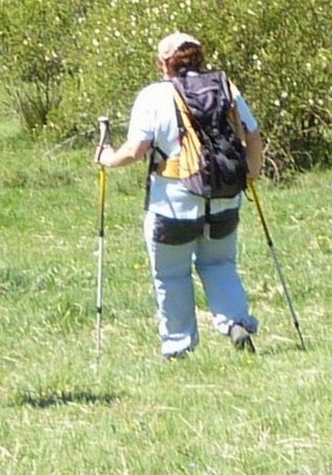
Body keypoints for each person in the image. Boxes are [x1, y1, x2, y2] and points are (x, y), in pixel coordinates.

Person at [98, 30, 261, 359]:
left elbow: (136, 150)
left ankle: (178, 346)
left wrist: (107, 157)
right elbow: (253, 134)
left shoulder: (153, 95)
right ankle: (235, 322)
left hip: (172, 203)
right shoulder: (225, 86)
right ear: (200, 57)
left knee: (171, 275)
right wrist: (251, 173)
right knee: (220, 263)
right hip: (225, 196)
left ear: (163, 63)